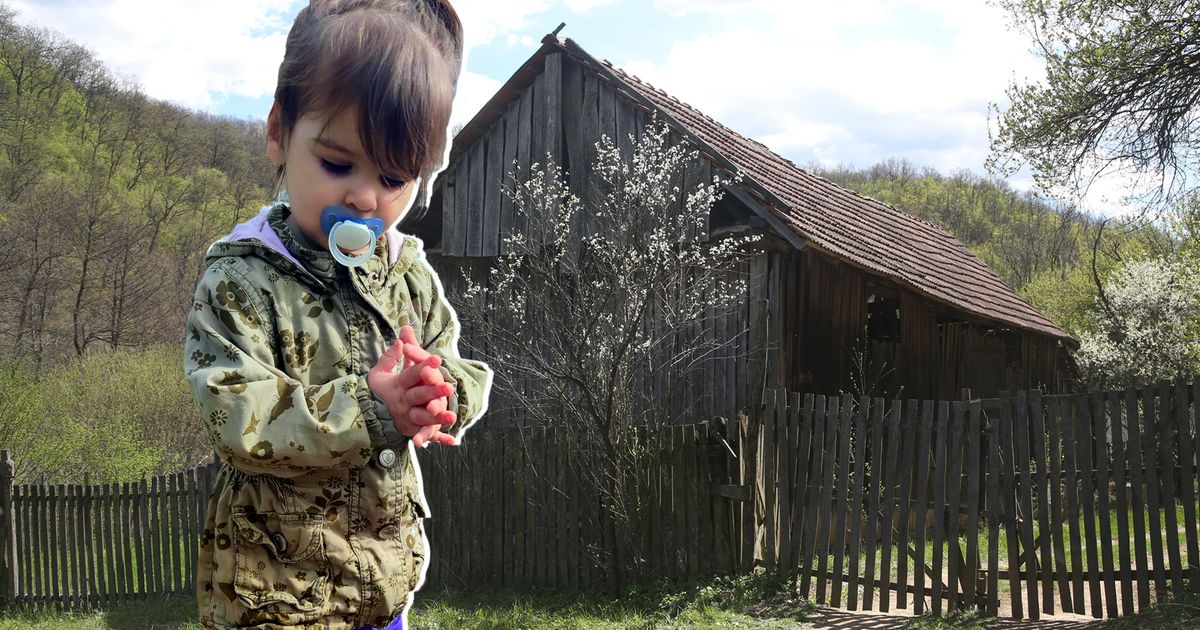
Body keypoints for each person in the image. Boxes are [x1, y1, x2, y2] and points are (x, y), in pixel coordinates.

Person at [183, 1, 492, 628]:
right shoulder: (242, 279)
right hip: (274, 595)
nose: (364, 196)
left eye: (393, 177)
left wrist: (439, 393)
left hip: (383, 587)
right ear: (279, 132)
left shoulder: (406, 272)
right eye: (336, 163)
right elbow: (237, 419)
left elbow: (451, 359)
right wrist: (373, 406)